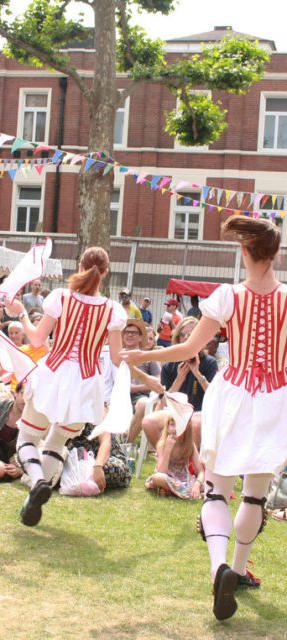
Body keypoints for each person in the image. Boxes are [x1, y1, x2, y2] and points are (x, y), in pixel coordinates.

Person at [122, 215, 287, 621]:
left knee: (217, 489)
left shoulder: (228, 296)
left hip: (233, 393)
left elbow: (187, 348)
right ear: (276, 253)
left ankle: (220, 568)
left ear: (245, 251)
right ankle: (239, 566)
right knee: (253, 493)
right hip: (275, 396)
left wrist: (144, 355)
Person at [4, 247, 160, 527]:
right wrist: (146, 376)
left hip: (53, 374)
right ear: (106, 273)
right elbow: (116, 358)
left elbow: (37, 340)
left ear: (79, 265)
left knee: (27, 438)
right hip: (86, 384)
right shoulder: (112, 310)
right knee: (56, 442)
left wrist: (21, 314)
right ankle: (33, 496)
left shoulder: (60, 297)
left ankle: (38, 482)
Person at [140, 317, 218, 450]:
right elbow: (162, 403)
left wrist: (198, 375)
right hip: (173, 411)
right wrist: (179, 379)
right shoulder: (169, 364)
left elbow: (215, 396)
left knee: (194, 424)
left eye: (192, 334)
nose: (187, 338)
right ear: (177, 337)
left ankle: (193, 465)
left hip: (199, 412)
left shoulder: (209, 362)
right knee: (148, 422)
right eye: (183, 334)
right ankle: (168, 460)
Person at [145, 413, 204, 500]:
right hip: (168, 477)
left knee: (208, 484)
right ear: (167, 427)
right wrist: (168, 449)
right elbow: (161, 471)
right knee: (158, 478)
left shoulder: (189, 444)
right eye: (172, 425)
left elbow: (201, 471)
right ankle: (183, 491)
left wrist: (197, 485)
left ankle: (172, 491)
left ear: (186, 428)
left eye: (179, 425)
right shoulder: (162, 444)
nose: (175, 429)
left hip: (185, 479)